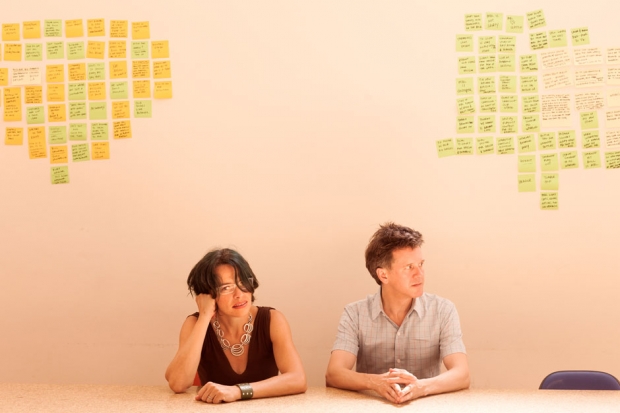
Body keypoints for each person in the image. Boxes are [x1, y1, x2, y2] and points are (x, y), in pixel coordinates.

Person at [325, 222, 470, 404]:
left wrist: (421, 387)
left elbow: (462, 374)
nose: (420, 274)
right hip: (371, 407)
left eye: (421, 264)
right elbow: (334, 374)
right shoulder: (355, 313)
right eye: (409, 267)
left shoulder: (443, 310)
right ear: (383, 275)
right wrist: (376, 382)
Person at [165, 248, 307, 403]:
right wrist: (205, 316)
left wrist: (238, 391)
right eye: (226, 288)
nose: (239, 294)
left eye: (243, 282)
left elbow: (298, 379)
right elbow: (178, 383)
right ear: (207, 294)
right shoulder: (195, 323)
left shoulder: (273, 319)